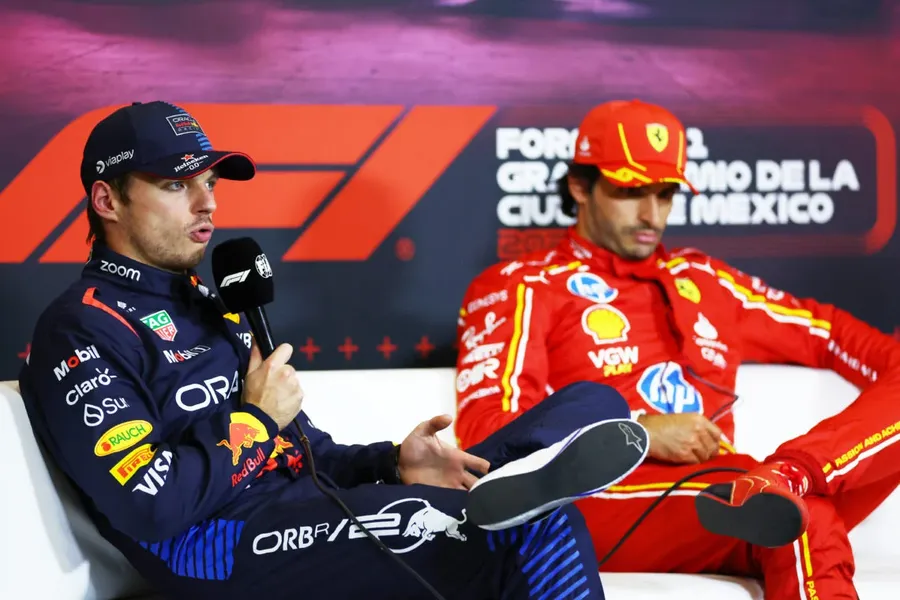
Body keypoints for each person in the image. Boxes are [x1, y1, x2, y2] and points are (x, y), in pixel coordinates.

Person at [17, 101, 651, 600]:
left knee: (592, 401)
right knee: (538, 527)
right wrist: (255, 417)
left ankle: (506, 474)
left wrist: (393, 464)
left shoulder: (214, 303)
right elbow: (151, 506)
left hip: (301, 509)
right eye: (177, 184)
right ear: (107, 200)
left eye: (208, 181)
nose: (207, 202)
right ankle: (511, 492)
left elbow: (308, 455)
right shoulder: (78, 329)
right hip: (217, 547)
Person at [454, 99, 900, 600]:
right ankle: (780, 486)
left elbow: (835, 336)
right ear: (580, 186)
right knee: (796, 520)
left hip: (725, 492)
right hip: (602, 496)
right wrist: (637, 433)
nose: (652, 214)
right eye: (631, 191)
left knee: (782, 506)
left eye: (665, 194)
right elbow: (489, 441)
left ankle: (789, 474)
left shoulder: (706, 279)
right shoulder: (523, 284)